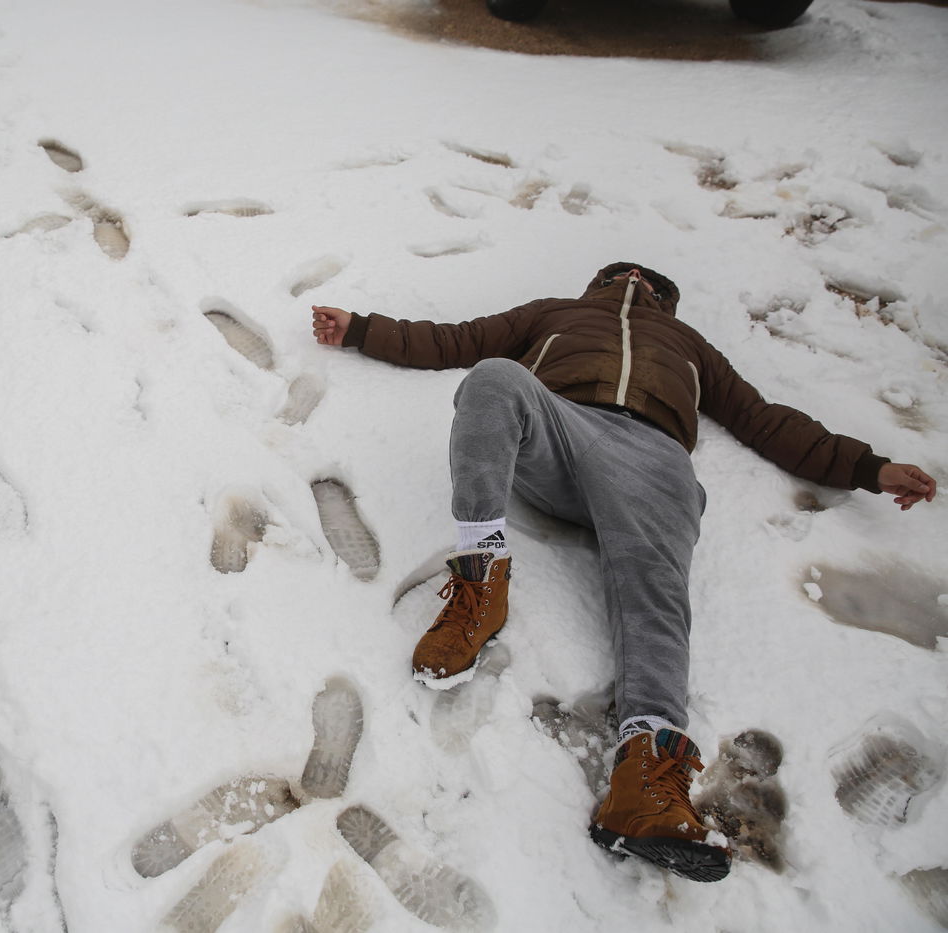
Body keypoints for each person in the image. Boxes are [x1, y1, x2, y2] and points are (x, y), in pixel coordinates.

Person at [309, 261, 936, 882]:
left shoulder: (690, 347)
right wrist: (362, 328)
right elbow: (457, 340)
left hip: (653, 460)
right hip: (563, 432)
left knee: (656, 597)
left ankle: (647, 779)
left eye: (649, 282)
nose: (634, 281)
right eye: (620, 275)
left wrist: (868, 468)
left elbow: (764, 419)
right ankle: (481, 581)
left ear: (665, 302)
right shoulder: (554, 314)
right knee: (495, 377)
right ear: (599, 284)